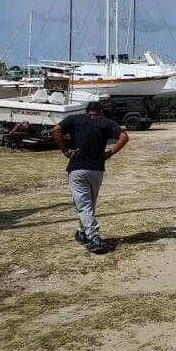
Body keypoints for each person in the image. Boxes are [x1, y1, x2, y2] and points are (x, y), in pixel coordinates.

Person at [52, 101, 129, 253]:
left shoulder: (74, 119)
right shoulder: (107, 123)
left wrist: (65, 151)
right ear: (101, 111)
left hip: (77, 167)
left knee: (84, 205)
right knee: (89, 203)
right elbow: (124, 137)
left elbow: (55, 130)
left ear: (87, 111)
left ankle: (95, 237)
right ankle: (82, 232)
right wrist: (109, 153)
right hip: (97, 168)